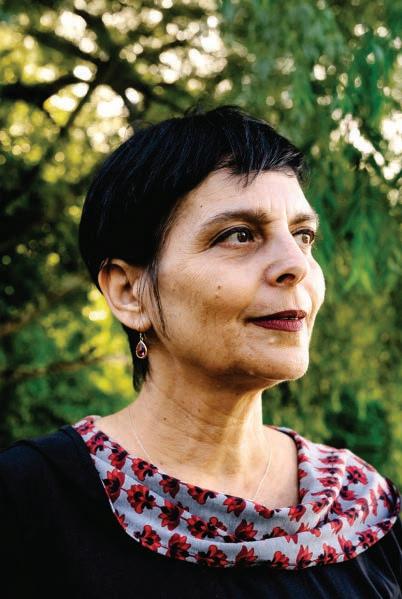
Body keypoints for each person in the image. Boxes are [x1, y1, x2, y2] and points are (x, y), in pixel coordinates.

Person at [0, 105, 400, 598]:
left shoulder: (364, 508)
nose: (296, 265)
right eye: (239, 235)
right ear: (129, 292)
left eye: (303, 236)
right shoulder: (29, 503)